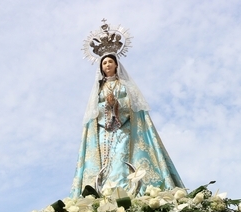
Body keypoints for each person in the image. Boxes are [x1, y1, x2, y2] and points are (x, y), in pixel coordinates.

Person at [71, 53, 183, 197]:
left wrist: (116, 105)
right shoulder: (98, 89)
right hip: (104, 133)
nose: (107, 65)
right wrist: (107, 107)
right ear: (101, 68)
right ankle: (106, 191)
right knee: (107, 161)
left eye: (110, 61)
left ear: (116, 64)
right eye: (104, 63)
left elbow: (133, 106)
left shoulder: (125, 85)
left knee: (121, 157)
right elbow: (93, 112)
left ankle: (124, 189)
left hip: (124, 129)